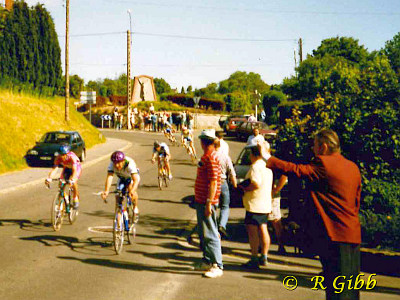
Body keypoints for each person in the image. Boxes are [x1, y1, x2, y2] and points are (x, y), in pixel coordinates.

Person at [261, 129, 362, 300]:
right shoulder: (352, 167)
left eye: (314, 145)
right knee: (351, 290)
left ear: (323, 147)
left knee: (336, 291)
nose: (313, 149)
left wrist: (268, 158)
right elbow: (356, 201)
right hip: (352, 234)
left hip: (334, 235)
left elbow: (297, 170)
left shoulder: (323, 163)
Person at [193, 129, 223, 278]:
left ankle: (217, 264)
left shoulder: (211, 158)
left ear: (204, 142)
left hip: (206, 202)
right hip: (201, 200)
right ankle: (207, 260)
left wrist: (208, 203)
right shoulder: (207, 156)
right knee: (204, 233)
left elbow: (213, 182)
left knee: (210, 233)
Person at [238, 145, 273, 269]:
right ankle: (264, 256)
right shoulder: (267, 168)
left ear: (253, 155)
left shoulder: (255, 167)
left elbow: (255, 183)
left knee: (252, 231)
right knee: (263, 228)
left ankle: (254, 257)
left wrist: (244, 188)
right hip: (265, 203)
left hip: (254, 203)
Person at [101, 151, 140, 221]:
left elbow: (135, 180)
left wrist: (132, 191)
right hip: (122, 177)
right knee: (118, 196)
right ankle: (119, 224)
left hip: (131, 177)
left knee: (132, 190)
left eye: (118, 163)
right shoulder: (112, 164)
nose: (116, 165)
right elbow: (109, 177)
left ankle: (135, 208)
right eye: (115, 163)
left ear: (123, 161)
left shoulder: (130, 164)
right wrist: (106, 191)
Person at [46, 144, 82, 209]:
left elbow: (74, 170)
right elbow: (54, 169)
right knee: (61, 184)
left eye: (63, 155)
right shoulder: (58, 158)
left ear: (67, 154)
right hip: (67, 168)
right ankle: (65, 198)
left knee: (74, 182)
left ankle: (75, 197)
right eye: (61, 154)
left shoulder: (72, 157)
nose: (62, 156)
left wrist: (72, 179)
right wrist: (49, 178)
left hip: (76, 168)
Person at [215, 138, 237, 239]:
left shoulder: (210, 156)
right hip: (223, 182)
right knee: (225, 205)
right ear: (220, 145)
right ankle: (222, 225)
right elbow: (232, 173)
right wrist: (235, 184)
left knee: (213, 205)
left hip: (213, 183)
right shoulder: (225, 157)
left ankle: (213, 226)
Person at [269, 171, 288, 255]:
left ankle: (281, 245)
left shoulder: (273, 161)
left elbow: (284, 176)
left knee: (276, 221)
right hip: (266, 195)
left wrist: (275, 191)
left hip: (272, 196)